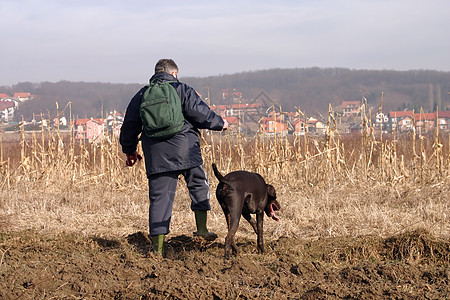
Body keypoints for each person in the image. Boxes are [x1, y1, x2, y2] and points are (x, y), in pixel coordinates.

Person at [120, 59, 228, 255]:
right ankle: (202, 229)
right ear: (174, 73)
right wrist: (221, 123)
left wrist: (129, 150)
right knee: (198, 184)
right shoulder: (182, 89)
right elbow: (200, 114)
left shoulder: (142, 95)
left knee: (160, 198)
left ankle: (157, 249)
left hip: (156, 154)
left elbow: (129, 126)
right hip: (186, 148)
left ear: (155, 73)